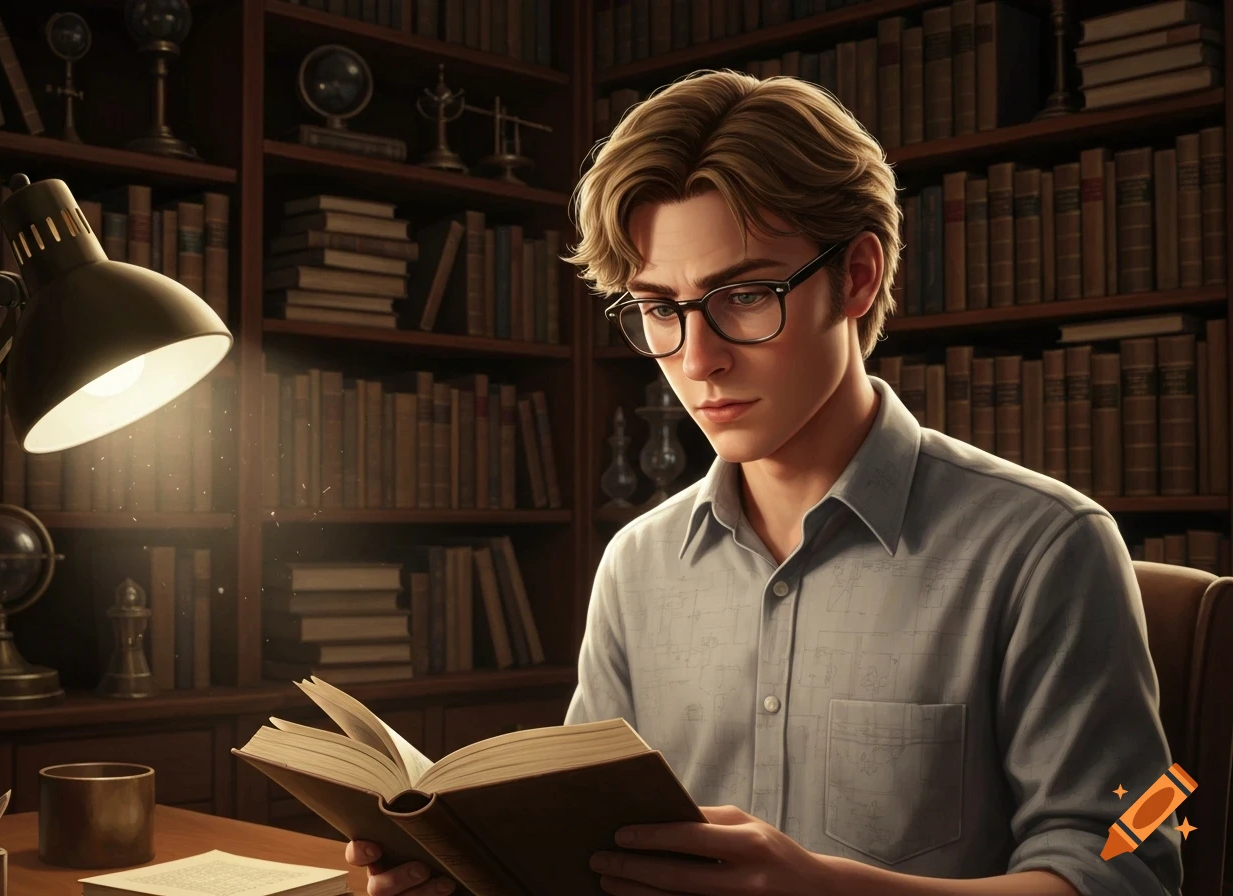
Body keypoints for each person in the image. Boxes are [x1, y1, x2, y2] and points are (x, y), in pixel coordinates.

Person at [345, 70, 1183, 896]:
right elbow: (584, 854)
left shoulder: (1047, 546)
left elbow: (1133, 866)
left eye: (744, 295)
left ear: (857, 276)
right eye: (660, 309)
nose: (697, 360)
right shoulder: (636, 566)